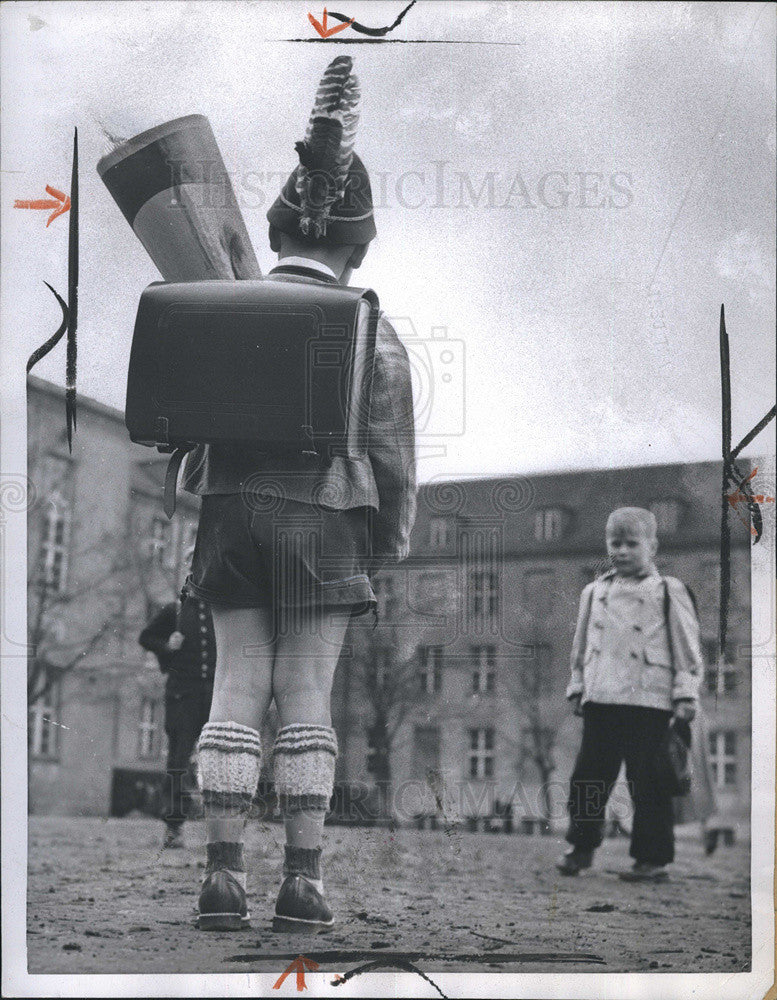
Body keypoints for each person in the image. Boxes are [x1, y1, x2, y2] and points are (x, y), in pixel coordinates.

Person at [179, 55, 417, 931]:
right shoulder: (370, 326)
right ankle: (304, 884)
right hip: (328, 520)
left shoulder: (221, 304)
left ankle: (221, 876)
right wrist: (385, 548)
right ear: (355, 249)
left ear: (276, 233)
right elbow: (393, 453)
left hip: (232, 513)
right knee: (305, 694)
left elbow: (191, 430)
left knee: (236, 684)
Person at [557, 506, 703, 882]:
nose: (621, 551)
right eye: (614, 543)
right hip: (602, 696)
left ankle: (652, 860)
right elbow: (580, 646)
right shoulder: (594, 592)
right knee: (588, 778)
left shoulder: (668, 591)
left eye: (631, 543)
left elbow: (686, 649)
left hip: (649, 699)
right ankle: (581, 848)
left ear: (651, 546)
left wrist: (685, 695)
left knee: (650, 781)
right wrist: (578, 686)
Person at [138, 593, 216, 848]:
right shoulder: (176, 611)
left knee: (221, 757)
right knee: (178, 761)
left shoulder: (221, 609)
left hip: (216, 694)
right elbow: (146, 636)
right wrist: (167, 645)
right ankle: (174, 826)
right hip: (182, 696)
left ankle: (223, 829)